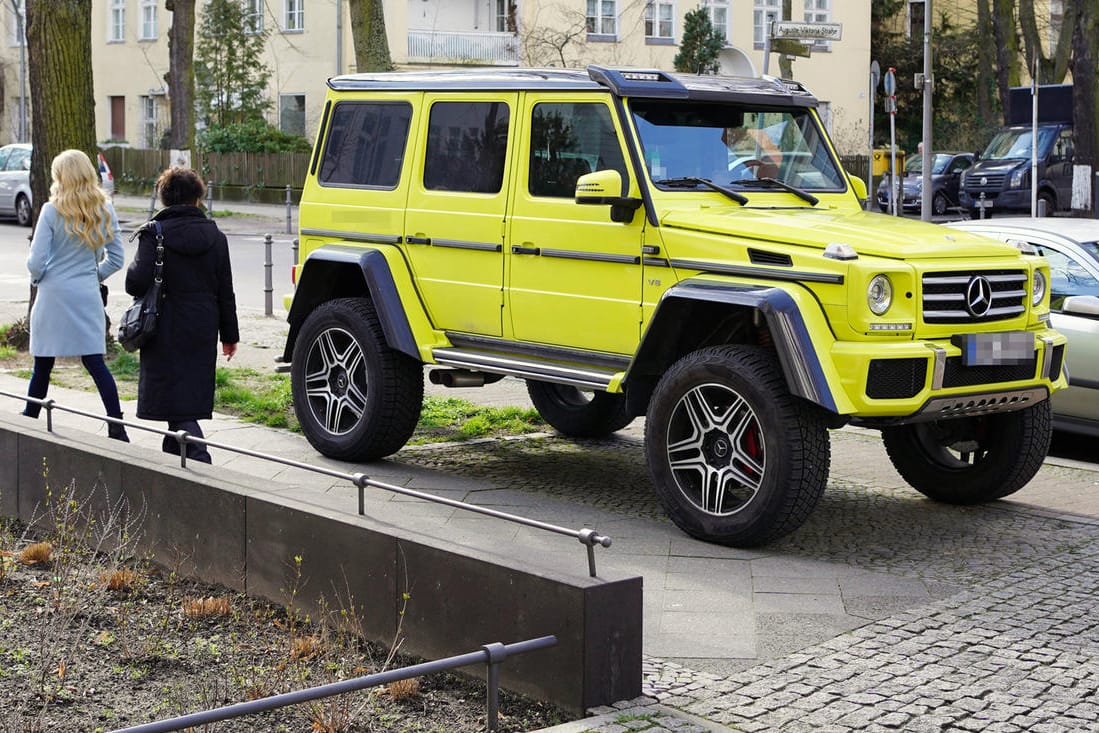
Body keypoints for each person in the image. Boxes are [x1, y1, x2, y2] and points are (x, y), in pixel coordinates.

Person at [126, 167, 239, 463]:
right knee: (185, 398)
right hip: (202, 325)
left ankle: (200, 458)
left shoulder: (154, 233)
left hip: (163, 325)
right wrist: (230, 337)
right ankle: (176, 456)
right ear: (197, 200)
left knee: (174, 402)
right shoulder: (216, 236)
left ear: (164, 200)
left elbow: (134, 283)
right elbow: (225, 290)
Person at [24, 149, 129, 442]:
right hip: (86, 294)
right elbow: (117, 259)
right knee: (95, 362)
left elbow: (36, 260)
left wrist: (38, 278)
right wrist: (91, 275)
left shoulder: (51, 210)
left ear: (61, 176)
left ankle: (29, 419)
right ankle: (116, 426)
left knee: (42, 363)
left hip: (53, 294)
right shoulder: (104, 209)